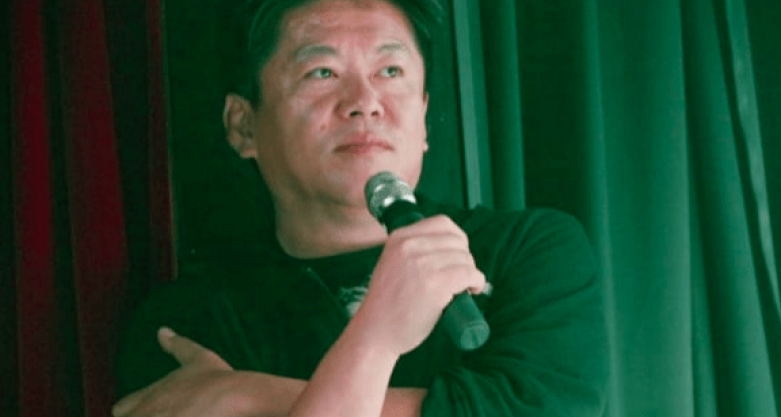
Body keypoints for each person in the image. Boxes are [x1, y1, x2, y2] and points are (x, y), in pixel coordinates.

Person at [112, 0, 610, 416]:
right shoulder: (190, 323)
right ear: (243, 125)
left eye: (390, 71)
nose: (365, 102)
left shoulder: (529, 251)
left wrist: (245, 395)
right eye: (322, 72)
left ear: (424, 117)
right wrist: (379, 336)